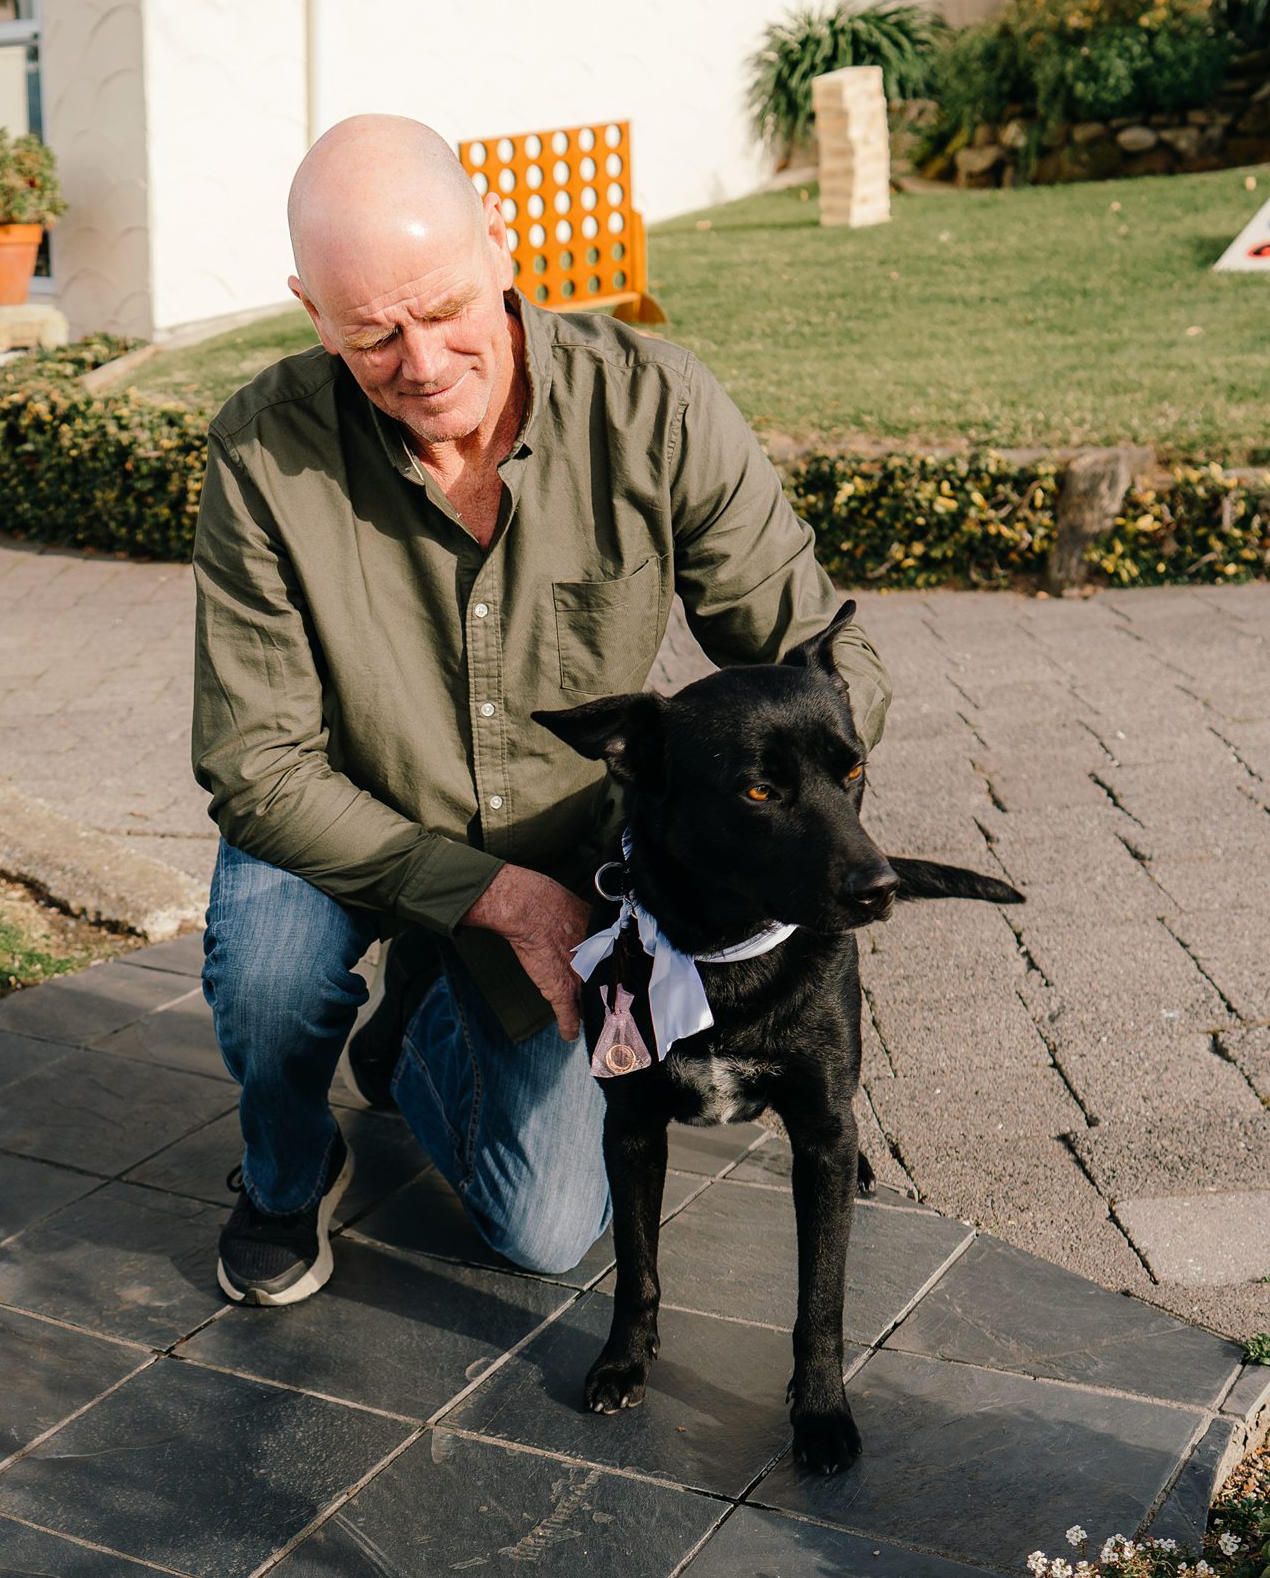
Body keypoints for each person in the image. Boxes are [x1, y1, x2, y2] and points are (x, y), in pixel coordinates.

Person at [191, 113, 889, 1306]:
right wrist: (492, 900)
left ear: (502, 245)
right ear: (312, 312)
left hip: (573, 854)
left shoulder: (655, 406)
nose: (422, 361)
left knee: (548, 1230)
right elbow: (255, 763)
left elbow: (825, 659)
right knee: (263, 971)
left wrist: (737, 794)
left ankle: (413, 1021)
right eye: (371, 334)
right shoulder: (262, 453)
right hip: (345, 822)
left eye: (445, 308)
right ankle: (286, 1170)